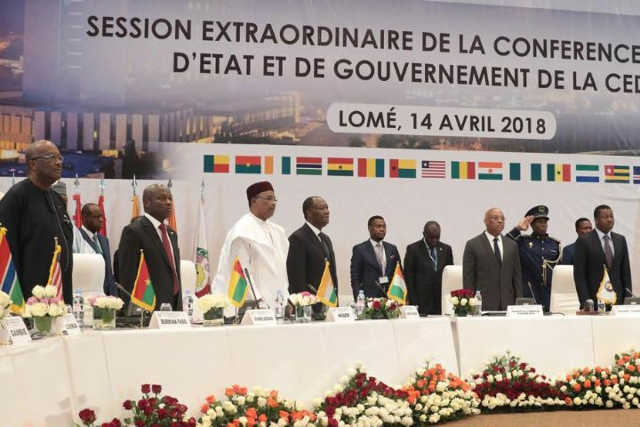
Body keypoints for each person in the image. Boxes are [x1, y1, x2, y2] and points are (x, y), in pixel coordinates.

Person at [0, 140, 74, 304]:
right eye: (51, 157)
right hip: (29, 300)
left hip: (60, 297)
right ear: (33, 164)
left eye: (59, 157)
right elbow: (7, 252)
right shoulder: (16, 197)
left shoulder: (57, 199)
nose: (59, 163)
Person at [212, 181, 289, 309]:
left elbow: (281, 271)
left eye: (274, 199)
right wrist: (258, 302)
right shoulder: (242, 231)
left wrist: (286, 298)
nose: (273, 203)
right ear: (254, 201)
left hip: (278, 303)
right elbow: (242, 271)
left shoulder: (278, 231)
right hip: (253, 306)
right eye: (268, 199)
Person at [117, 184, 182, 310]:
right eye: (162, 198)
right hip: (147, 307)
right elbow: (127, 276)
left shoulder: (171, 233)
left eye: (170, 198)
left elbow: (173, 272)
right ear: (147, 203)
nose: (168, 203)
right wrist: (134, 311)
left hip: (173, 307)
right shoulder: (134, 231)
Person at [463, 208, 522, 311]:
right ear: (485, 221)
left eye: (502, 219)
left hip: (508, 304)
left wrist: (519, 301)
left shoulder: (512, 245)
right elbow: (468, 278)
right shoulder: (473, 245)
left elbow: (517, 277)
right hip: (483, 304)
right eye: (495, 218)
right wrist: (469, 304)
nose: (500, 221)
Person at [573, 205, 631, 309]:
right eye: (605, 217)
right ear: (596, 220)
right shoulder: (584, 241)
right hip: (594, 300)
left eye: (611, 216)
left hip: (618, 300)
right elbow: (579, 275)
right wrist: (585, 300)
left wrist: (628, 297)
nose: (610, 220)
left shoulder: (620, 240)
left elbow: (625, 271)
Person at [506, 205, 561, 312]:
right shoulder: (522, 242)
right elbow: (505, 243)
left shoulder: (555, 244)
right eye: (539, 222)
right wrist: (518, 229)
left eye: (545, 221)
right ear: (532, 224)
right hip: (529, 293)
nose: (543, 224)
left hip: (550, 295)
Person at [287, 196, 338, 298]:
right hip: (310, 303)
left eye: (327, 208)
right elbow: (297, 279)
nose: (327, 212)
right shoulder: (298, 238)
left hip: (329, 301)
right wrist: (304, 303)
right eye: (321, 208)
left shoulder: (326, 239)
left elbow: (331, 274)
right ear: (309, 213)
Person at [404, 221, 453, 315]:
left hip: (440, 301)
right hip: (421, 301)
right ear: (424, 234)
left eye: (437, 237)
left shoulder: (446, 249)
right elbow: (409, 277)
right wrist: (413, 302)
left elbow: (449, 274)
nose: (435, 240)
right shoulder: (413, 249)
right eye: (431, 237)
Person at [350, 215, 402, 299]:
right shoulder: (359, 249)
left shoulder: (392, 248)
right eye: (378, 226)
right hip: (369, 298)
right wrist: (358, 298)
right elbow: (355, 277)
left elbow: (399, 274)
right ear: (370, 228)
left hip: (391, 298)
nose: (382, 229)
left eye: (384, 226)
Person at [73, 203, 117, 296]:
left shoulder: (104, 240)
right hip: (88, 293)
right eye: (96, 217)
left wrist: (114, 295)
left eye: (101, 216)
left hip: (106, 295)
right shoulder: (77, 239)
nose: (101, 220)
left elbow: (108, 271)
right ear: (84, 218)